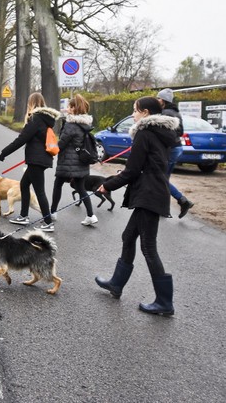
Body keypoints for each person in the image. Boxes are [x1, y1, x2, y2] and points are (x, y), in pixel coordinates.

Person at [94, 96, 179, 316]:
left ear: (146, 114)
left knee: (148, 248)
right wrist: (122, 176)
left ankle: (164, 301)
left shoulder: (144, 133)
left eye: (135, 110)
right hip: (153, 191)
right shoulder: (161, 134)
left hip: (149, 195)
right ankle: (116, 283)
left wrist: (107, 185)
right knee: (128, 236)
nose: (133, 115)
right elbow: (145, 166)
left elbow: (133, 170)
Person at [0, 92, 61, 228]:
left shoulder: (36, 118)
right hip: (41, 159)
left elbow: (22, 139)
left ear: (31, 103)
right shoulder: (45, 119)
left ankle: (48, 222)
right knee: (24, 185)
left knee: (39, 191)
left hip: (36, 160)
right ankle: (24, 216)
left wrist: (5, 152)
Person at [48, 94, 96, 231]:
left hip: (68, 162)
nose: (67, 108)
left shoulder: (70, 125)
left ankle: (53, 212)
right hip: (81, 161)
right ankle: (91, 215)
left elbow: (61, 144)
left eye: (69, 106)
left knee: (58, 185)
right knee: (81, 188)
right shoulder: (85, 124)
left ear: (74, 108)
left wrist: (50, 150)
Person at [156, 88, 194, 218]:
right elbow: (180, 132)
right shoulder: (176, 113)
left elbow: (163, 133)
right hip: (177, 147)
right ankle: (164, 208)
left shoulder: (165, 113)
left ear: (163, 100)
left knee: (161, 178)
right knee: (164, 178)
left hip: (170, 149)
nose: (157, 100)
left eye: (158, 98)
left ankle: (182, 201)